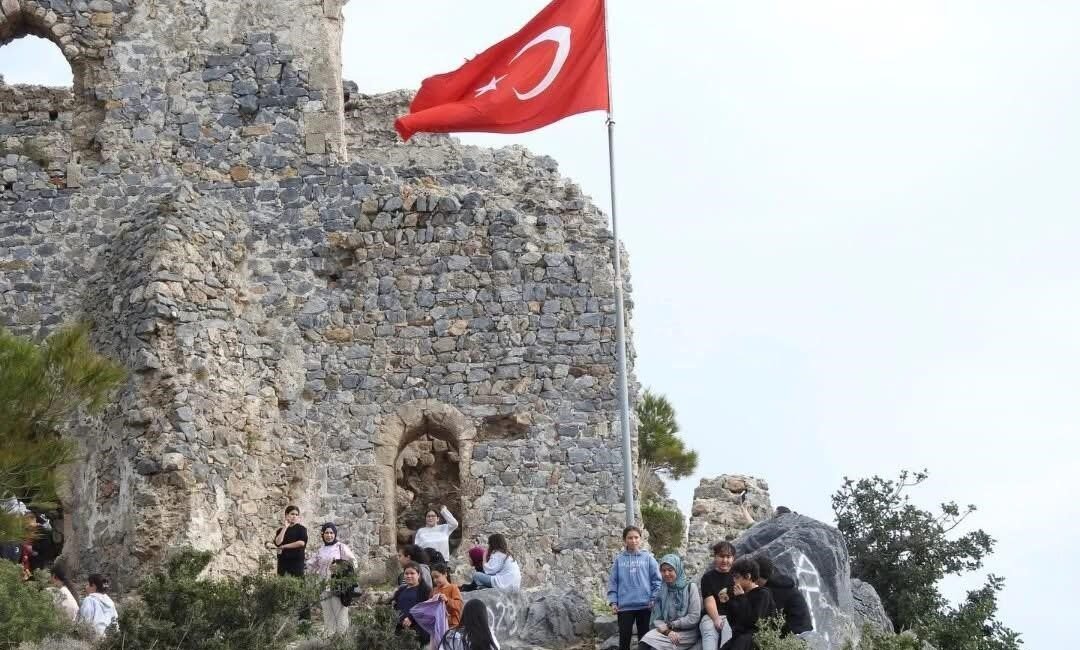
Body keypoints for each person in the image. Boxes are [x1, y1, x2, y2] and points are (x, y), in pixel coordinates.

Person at [607, 526, 662, 650]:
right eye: (630, 538)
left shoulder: (648, 558)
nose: (633, 540)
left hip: (645, 606)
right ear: (624, 540)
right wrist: (613, 602)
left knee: (645, 641)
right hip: (624, 607)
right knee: (624, 640)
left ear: (640, 539)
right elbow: (613, 582)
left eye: (636, 537)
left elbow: (657, 580)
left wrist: (653, 598)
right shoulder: (619, 560)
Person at [639, 554, 701, 650]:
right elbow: (656, 619)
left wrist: (672, 625)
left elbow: (694, 617)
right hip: (667, 631)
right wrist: (668, 631)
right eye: (663, 571)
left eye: (670, 570)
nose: (666, 574)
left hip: (687, 633)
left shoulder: (690, 587)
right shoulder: (661, 590)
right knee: (645, 641)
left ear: (678, 569)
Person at [306, 523, 357, 636]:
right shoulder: (321, 550)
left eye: (331, 533)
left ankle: (343, 643)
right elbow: (311, 564)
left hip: (338, 586)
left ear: (335, 534)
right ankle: (329, 642)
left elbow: (353, 562)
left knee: (341, 616)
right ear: (322, 534)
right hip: (324, 586)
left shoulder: (341, 547)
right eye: (326, 533)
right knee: (328, 616)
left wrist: (340, 566)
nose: (329, 535)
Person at [721, 558, 776, 650]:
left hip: (755, 639)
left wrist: (741, 598)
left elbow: (755, 621)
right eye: (733, 577)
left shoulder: (762, 594)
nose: (734, 581)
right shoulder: (740, 593)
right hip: (739, 637)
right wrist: (726, 602)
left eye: (737, 577)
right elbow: (734, 622)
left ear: (748, 576)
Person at [754, 555, 812, 635]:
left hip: (795, 636)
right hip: (804, 632)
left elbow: (768, 620)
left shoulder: (773, 591)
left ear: (757, 576)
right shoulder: (779, 584)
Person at [699, 541, 737, 650]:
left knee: (728, 639)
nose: (725, 560)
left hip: (731, 617)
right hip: (711, 616)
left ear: (733, 558)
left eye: (728, 557)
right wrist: (716, 619)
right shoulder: (708, 577)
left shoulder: (737, 576)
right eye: (721, 556)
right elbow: (709, 600)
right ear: (715, 557)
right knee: (709, 634)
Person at [393, 562, 432, 646]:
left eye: (412, 573)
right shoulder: (401, 590)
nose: (409, 576)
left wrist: (411, 618)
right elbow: (395, 606)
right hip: (401, 630)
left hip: (418, 631)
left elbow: (425, 609)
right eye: (406, 573)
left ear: (419, 575)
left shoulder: (425, 590)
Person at [270, 505, 308, 578]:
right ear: (286, 515)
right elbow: (278, 542)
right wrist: (285, 527)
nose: (294, 516)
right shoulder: (280, 530)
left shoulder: (301, 529)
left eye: (296, 515)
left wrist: (284, 546)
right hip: (283, 563)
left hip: (296, 563)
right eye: (292, 514)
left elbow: (301, 543)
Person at [76, 573, 118, 638]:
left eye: (88, 584)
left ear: (93, 586)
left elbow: (84, 623)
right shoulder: (111, 602)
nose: (86, 587)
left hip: (94, 639)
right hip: (110, 639)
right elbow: (115, 623)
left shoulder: (89, 600)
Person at [431, 563, 464, 627]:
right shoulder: (434, 590)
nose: (435, 580)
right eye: (433, 578)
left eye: (437, 577)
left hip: (452, 625)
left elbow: (459, 605)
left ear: (445, 574)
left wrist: (447, 600)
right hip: (439, 624)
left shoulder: (453, 587)